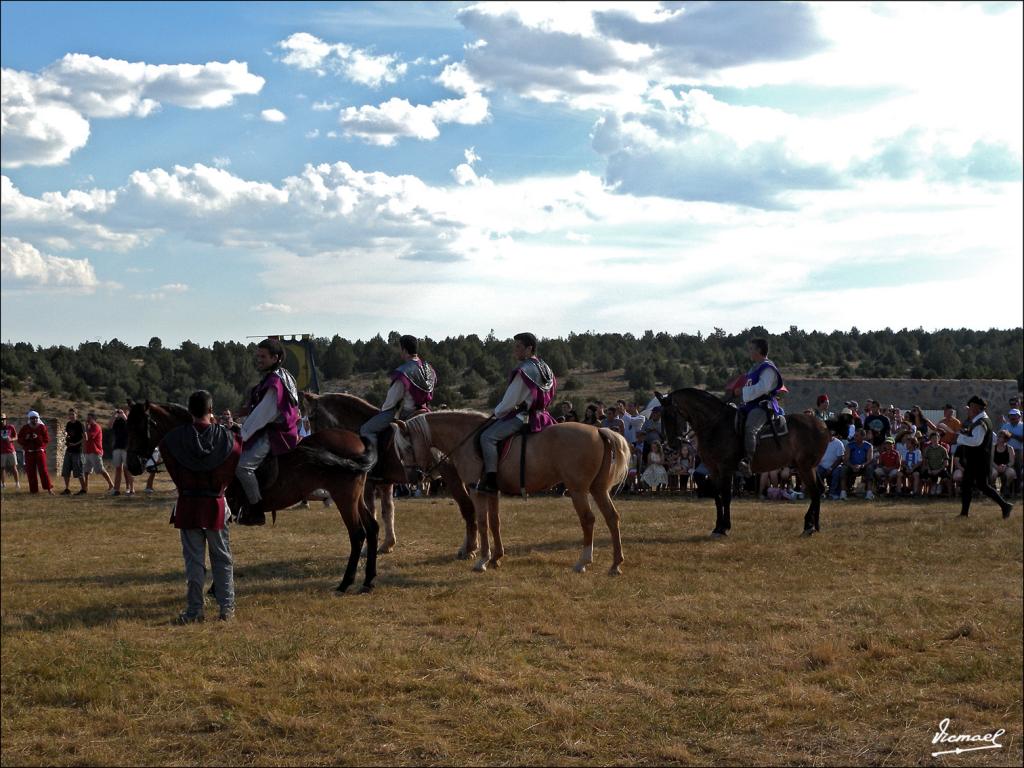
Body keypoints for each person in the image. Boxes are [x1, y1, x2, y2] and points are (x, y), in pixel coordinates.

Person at [160, 389, 242, 624]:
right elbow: (235, 454)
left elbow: (168, 455)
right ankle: (227, 609)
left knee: (194, 562)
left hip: (188, 503)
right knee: (222, 559)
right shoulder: (226, 437)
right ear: (210, 410)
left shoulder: (175, 439)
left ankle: (195, 610)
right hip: (215, 503)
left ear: (189, 411)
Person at [477, 332, 557, 495]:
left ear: (529, 348)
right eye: (515, 347)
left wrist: (497, 412)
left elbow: (510, 401)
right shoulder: (546, 368)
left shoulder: (524, 370)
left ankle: (491, 481)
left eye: (519, 347)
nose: (515, 351)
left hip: (525, 417)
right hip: (544, 416)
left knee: (487, 437)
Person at [236, 338, 301, 525]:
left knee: (242, 466)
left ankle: (256, 510)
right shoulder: (279, 376)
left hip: (276, 433)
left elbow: (262, 415)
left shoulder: (276, 382)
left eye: (263, 356)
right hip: (273, 427)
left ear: (276, 358)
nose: (259, 360)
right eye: (258, 356)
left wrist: (241, 435)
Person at [359, 334, 436, 467]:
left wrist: (382, 411)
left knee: (366, 429)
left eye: (400, 348)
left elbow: (391, 402)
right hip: (425, 411)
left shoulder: (404, 372)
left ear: (404, 350)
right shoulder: (429, 369)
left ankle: (373, 464)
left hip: (406, 413)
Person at [952, 395, 1013, 519]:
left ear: (975, 407)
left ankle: (1004, 505)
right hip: (978, 460)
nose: (968, 410)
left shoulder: (981, 423)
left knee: (978, 485)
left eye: (970, 407)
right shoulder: (981, 420)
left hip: (978, 460)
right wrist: (963, 433)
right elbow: (974, 436)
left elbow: (976, 441)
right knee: (972, 485)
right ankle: (1004, 506)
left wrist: (959, 437)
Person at [732, 337, 784, 467]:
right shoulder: (754, 369)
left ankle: (748, 461)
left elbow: (763, 388)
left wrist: (743, 391)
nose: (749, 352)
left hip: (763, 406)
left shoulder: (768, 368)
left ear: (759, 350)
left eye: (751, 349)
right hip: (749, 405)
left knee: (750, 428)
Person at [18, 411, 54, 495]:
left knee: (43, 471)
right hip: (29, 453)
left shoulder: (42, 427)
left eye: (35, 418)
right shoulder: (25, 428)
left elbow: (46, 440)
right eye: (32, 418)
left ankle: (49, 488)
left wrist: (38, 438)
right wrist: (26, 438)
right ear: (29, 419)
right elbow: (20, 439)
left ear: (38, 418)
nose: (34, 420)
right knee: (31, 471)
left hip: (39, 452)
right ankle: (33, 490)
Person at [82, 412, 114, 494]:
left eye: (90, 418)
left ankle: (111, 485)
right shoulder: (89, 428)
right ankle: (85, 487)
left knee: (100, 469)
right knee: (86, 471)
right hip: (88, 452)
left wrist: (86, 428)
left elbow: (89, 437)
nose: (88, 419)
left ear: (94, 419)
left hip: (95, 452)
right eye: (87, 417)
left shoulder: (96, 427)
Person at [60, 408, 86, 495]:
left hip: (77, 451)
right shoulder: (68, 424)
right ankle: (67, 489)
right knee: (66, 470)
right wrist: (67, 439)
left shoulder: (80, 424)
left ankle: (83, 489)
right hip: (69, 450)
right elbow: (68, 435)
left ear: (76, 415)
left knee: (79, 471)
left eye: (72, 414)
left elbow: (85, 438)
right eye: (70, 414)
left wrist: (75, 444)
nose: (71, 416)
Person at [842, 429, 874, 500]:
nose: (855, 437)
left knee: (870, 468)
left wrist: (862, 465)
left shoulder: (868, 446)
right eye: (854, 435)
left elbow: (869, 459)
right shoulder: (849, 445)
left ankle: (869, 493)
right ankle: (843, 493)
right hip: (851, 466)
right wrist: (852, 466)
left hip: (864, 466)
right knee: (843, 468)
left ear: (863, 436)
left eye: (857, 436)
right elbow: (846, 460)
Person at [109, 409, 134, 496]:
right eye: (120, 412)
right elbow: (110, 426)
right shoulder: (117, 421)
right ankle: (116, 489)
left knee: (127, 469)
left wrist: (124, 416)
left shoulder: (129, 421)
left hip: (126, 448)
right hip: (117, 447)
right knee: (118, 469)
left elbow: (131, 427)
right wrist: (114, 415)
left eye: (124, 411)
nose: (121, 413)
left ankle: (131, 488)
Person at [817, 432, 846, 500]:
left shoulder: (839, 443)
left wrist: (831, 468)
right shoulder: (820, 442)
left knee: (836, 472)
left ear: (832, 435)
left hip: (835, 466)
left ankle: (833, 493)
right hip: (822, 466)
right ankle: (821, 492)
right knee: (816, 472)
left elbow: (840, 458)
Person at [921, 432, 950, 496]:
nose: (934, 440)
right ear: (930, 439)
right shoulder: (927, 449)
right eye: (933, 438)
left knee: (946, 479)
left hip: (940, 469)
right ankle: (927, 491)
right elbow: (925, 461)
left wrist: (938, 470)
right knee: (924, 478)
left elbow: (946, 463)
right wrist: (929, 469)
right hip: (930, 469)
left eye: (936, 438)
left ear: (939, 439)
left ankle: (940, 486)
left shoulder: (943, 449)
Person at [991, 430, 1017, 497]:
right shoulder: (993, 447)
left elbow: (1012, 461)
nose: (999, 438)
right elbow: (991, 460)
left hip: (1006, 467)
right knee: (994, 473)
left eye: (1001, 437)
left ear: (1006, 439)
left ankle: (1006, 488)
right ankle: (994, 489)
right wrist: (997, 467)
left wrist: (1005, 466)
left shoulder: (1010, 448)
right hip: (995, 466)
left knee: (1011, 473)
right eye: (999, 436)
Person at [1, 412, 20, 490]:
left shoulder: (10, 427)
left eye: (3, 419)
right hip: (1, 451)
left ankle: (17, 483)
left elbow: (16, 437)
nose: (1, 420)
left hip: (10, 451)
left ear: (6, 419)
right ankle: (3, 484)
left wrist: (11, 439)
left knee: (14, 467)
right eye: (0, 419)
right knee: (1, 468)